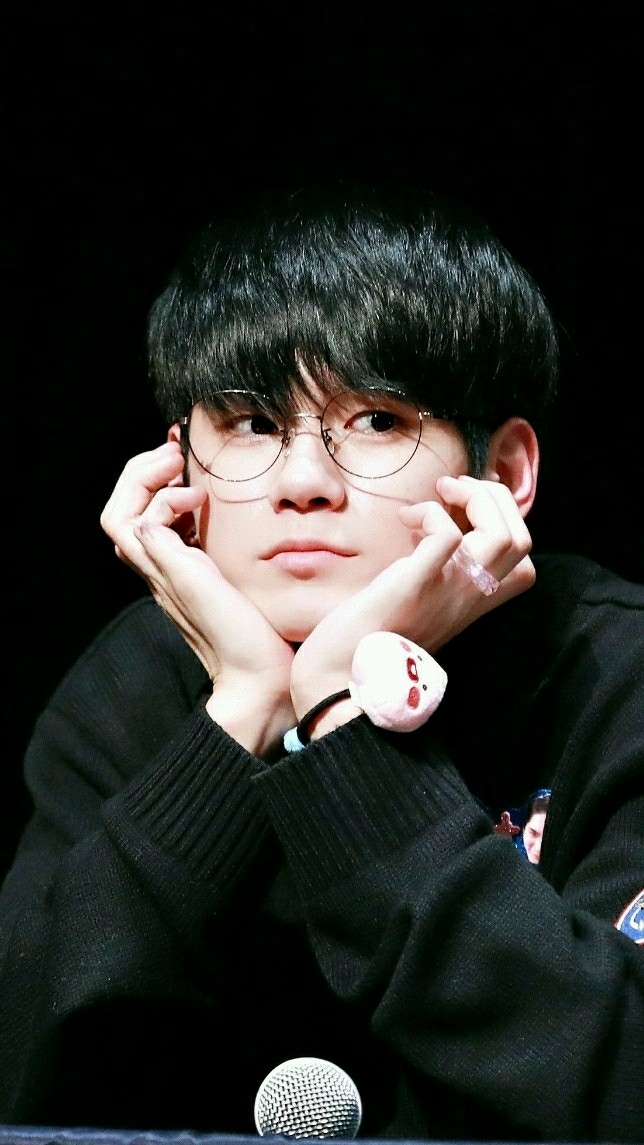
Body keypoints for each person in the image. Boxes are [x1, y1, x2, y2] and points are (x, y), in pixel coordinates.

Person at [1, 182, 642, 1142]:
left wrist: (343, 714)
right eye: (253, 424)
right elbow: (23, 1074)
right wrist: (242, 712)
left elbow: (622, 1082)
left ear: (504, 472)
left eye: (377, 419)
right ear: (180, 468)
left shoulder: (615, 674)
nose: (303, 483)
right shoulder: (130, 683)